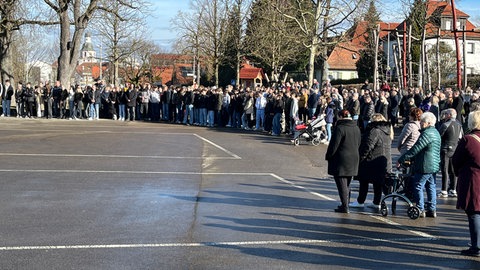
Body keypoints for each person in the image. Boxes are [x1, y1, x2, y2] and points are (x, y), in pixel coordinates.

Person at [398, 112, 441, 218]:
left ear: (429, 123)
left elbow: (415, 149)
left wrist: (402, 159)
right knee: (431, 186)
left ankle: (421, 209)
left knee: (418, 186)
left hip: (425, 164)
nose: (421, 123)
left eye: (423, 121)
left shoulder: (427, 134)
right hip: (433, 164)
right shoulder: (435, 132)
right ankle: (432, 209)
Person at [350, 113, 393, 210]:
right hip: (383, 160)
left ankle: (360, 201)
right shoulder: (387, 131)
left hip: (372, 160)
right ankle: (376, 202)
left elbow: (368, 145)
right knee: (378, 183)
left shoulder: (375, 131)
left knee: (363, 181)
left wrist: (361, 157)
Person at [453, 110, 480, 256]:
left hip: (473, 179)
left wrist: (459, 173)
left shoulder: (468, 140)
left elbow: (456, 161)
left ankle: (476, 246)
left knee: (474, 213)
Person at [325, 109, 361, 213]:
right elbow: (359, 143)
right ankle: (345, 204)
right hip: (354, 158)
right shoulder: (356, 128)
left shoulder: (340, 128)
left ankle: (345, 206)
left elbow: (334, 145)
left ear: (341, 117)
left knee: (342, 184)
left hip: (341, 159)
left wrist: (328, 156)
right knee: (347, 184)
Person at [437, 108, 463, 198]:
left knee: (444, 170)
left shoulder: (445, 125)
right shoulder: (459, 125)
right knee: (453, 171)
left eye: (446, 114)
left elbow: (438, 136)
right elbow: (461, 138)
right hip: (454, 149)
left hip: (445, 149)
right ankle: (453, 189)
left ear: (449, 115)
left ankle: (444, 190)